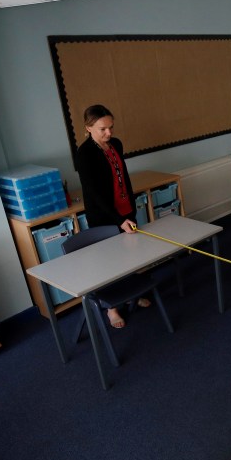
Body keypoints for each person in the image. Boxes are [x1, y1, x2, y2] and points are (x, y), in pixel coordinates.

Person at [75, 104, 150, 328]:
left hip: (126, 208)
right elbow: (94, 193)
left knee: (130, 255)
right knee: (110, 262)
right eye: (102, 129)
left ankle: (131, 295)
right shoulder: (84, 154)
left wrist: (131, 207)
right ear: (88, 128)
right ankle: (112, 308)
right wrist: (118, 219)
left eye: (111, 127)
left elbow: (123, 176)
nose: (109, 133)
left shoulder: (115, 144)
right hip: (104, 216)